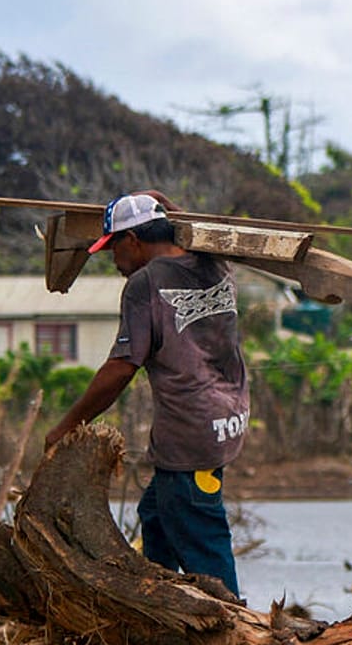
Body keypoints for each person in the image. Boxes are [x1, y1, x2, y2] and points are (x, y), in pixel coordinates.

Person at [45, 192, 248, 597]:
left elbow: (121, 368)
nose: (115, 261)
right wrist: (160, 200)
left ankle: (229, 643)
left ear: (133, 241)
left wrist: (67, 425)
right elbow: (185, 227)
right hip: (226, 422)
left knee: (204, 546)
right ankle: (160, 618)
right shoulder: (216, 264)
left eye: (114, 248)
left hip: (189, 434)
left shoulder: (145, 284)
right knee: (156, 516)